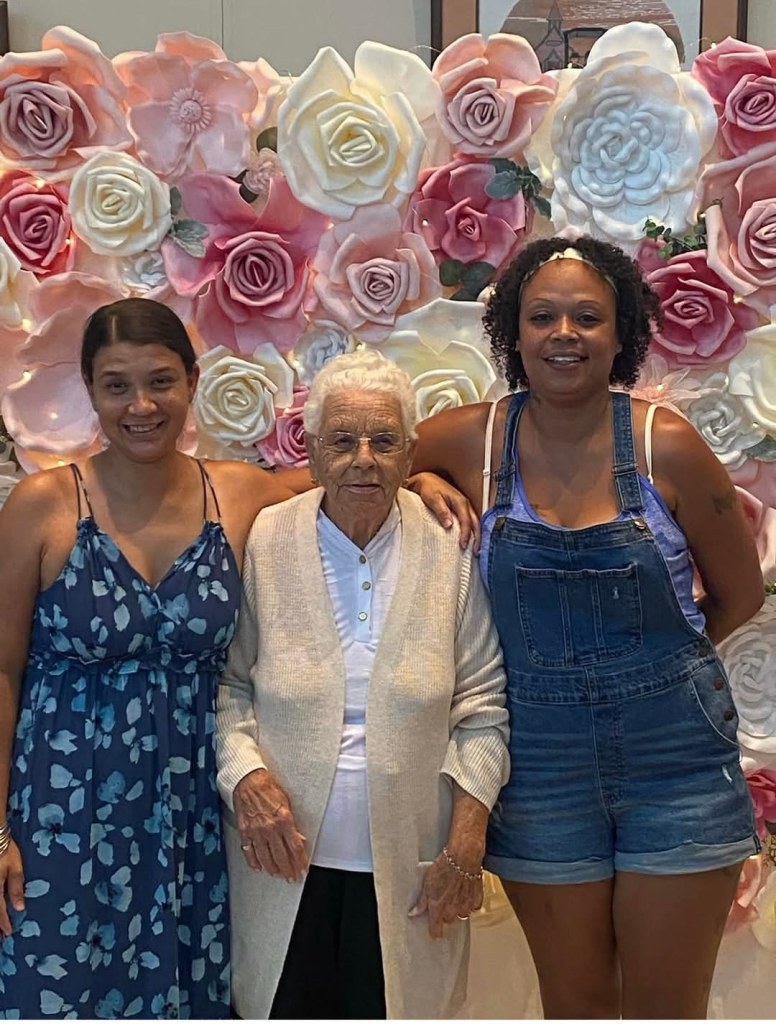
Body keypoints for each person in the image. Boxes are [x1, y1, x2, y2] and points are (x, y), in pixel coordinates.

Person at [410, 236, 764, 1019]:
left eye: (587, 317)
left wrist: (661, 675)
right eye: (542, 317)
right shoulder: (472, 440)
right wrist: (426, 479)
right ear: (513, 331)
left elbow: (739, 594)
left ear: (621, 332)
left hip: (675, 763)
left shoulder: (665, 444)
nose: (563, 334)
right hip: (540, 767)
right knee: (576, 1007)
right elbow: (361, 465)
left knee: (668, 1009)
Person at [0, 298, 302, 1018]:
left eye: (161, 381)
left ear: (193, 381)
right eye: (117, 385)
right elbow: (1, 673)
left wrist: (431, 482)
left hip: (193, 817)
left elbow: (353, 487)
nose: (141, 405)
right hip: (61, 814)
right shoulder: (43, 504)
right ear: (90, 390)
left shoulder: (240, 494)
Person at [216, 348, 510, 1020]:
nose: (364, 460)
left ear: (411, 453)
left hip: (414, 873)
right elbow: (230, 687)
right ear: (312, 450)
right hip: (279, 870)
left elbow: (485, 708)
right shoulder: (268, 537)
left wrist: (468, 840)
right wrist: (246, 779)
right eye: (342, 441)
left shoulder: (449, 543)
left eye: (384, 441)